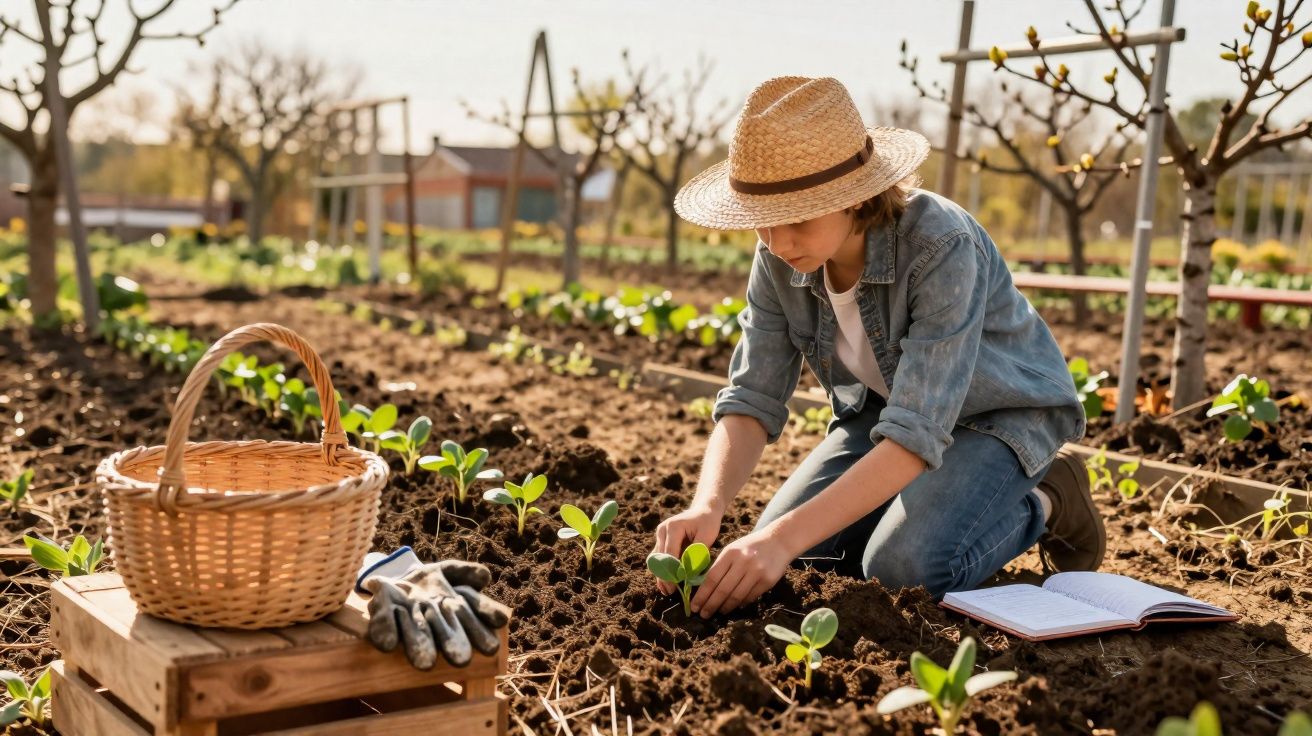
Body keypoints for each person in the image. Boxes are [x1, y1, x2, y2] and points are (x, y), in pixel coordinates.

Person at [651, 76, 1105, 619]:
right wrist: (709, 504)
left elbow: (917, 430)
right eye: (763, 223)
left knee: (902, 570)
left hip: (996, 417)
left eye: (798, 218)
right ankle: (925, 503)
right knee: (804, 559)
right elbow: (751, 396)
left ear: (855, 197)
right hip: (883, 415)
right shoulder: (776, 256)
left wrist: (776, 541)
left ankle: (1049, 497)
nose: (779, 242)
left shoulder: (940, 244)